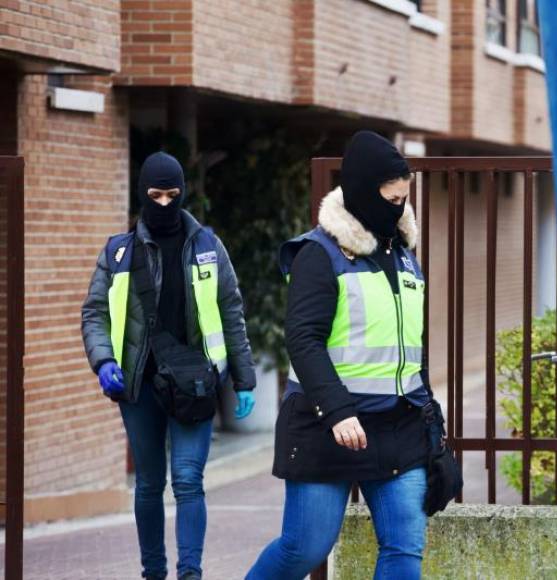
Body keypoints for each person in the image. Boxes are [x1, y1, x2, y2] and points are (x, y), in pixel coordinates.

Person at [246, 131, 434, 580]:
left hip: (398, 425)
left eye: (404, 200)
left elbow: (410, 348)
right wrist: (337, 410)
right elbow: (303, 339)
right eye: (391, 199)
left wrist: (431, 418)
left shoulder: (404, 256)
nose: (399, 210)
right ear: (364, 194)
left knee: (405, 548)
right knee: (304, 549)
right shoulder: (319, 254)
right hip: (328, 424)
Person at [82, 151, 257, 580]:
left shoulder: (208, 248)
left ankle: (190, 572)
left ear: (184, 194)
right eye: (155, 195)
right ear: (143, 194)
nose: (163, 204)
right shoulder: (118, 254)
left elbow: (231, 311)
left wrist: (243, 377)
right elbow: (94, 313)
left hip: (195, 384)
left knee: (187, 480)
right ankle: (154, 571)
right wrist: (103, 361)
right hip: (139, 385)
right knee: (148, 484)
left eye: (172, 195)